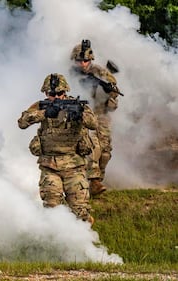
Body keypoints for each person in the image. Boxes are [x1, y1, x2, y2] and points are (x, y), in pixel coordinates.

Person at [17, 73, 97, 224]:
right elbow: (22, 122)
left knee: (81, 212)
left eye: (60, 93)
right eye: (52, 94)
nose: (57, 97)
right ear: (46, 93)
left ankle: (84, 243)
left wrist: (79, 116)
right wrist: (45, 113)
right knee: (52, 210)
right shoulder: (41, 105)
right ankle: (59, 243)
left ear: (65, 92)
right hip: (50, 166)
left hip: (75, 166)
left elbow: (93, 124)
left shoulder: (77, 105)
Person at [70, 39, 121, 196]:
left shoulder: (101, 72)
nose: (83, 64)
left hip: (101, 114)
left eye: (86, 60)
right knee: (94, 147)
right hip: (84, 114)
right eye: (80, 61)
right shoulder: (70, 74)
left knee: (105, 152)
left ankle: (97, 180)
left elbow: (114, 92)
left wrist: (107, 88)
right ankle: (94, 181)